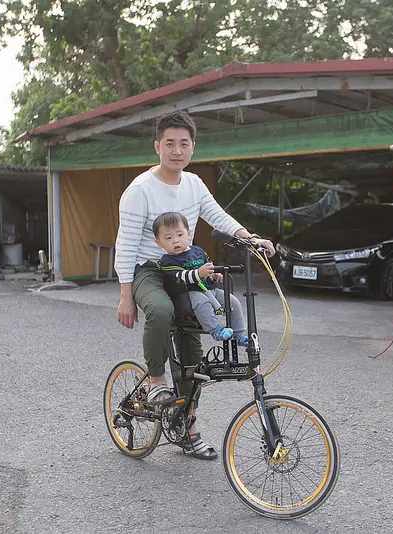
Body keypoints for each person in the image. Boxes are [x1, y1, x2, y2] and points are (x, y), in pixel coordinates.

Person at [114, 110, 274, 460]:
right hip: (150, 269)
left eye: (184, 144)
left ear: (193, 147)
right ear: (157, 146)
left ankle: (187, 428)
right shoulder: (139, 190)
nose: (177, 151)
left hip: (186, 268)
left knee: (194, 357)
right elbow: (125, 245)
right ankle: (156, 381)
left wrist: (249, 238)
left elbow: (217, 216)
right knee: (161, 310)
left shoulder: (194, 184)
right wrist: (126, 297)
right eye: (169, 143)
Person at [153, 211, 248, 346]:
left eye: (180, 235)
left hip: (211, 289)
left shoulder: (198, 251)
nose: (175, 240)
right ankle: (216, 330)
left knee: (233, 301)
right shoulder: (167, 261)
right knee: (201, 302)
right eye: (168, 238)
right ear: (159, 243)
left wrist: (214, 274)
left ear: (188, 234)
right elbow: (181, 277)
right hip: (189, 294)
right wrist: (199, 273)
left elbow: (209, 266)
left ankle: (239, 335)